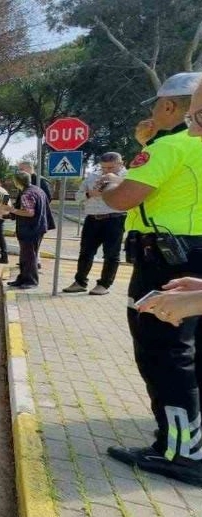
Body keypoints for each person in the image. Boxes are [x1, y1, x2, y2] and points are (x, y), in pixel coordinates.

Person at [98, 72, 202, 485]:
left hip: (166, 258)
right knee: (192, 352)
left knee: (163, 353)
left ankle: (179, 451)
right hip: (195, 254)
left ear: (172, 107)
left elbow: (124, 197)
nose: (151, 113)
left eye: (156, 106)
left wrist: (110, 184)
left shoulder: (173, 145)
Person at [62, 152, 127, 296]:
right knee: (85, 252)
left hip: (115, 219)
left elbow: (133, 196)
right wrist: (90, 194)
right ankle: (80, 282)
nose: (106, 171)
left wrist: (114, 184)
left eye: (111, 168)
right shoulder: (92, 176)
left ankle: (104, 284)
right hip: (92, 219)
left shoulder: (127, 177)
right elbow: (78, 197)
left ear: (121, 164)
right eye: (104, 168)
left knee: (111, 254)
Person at [0, 171, 49, 290]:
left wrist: (11, 210)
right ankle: (23, 278)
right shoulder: (37, 190)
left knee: (29, 256)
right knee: (26, 255)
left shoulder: (26, 194)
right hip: (37, 227)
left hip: (30, 229)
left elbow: (29, 213)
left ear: (17, 182)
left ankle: (30, 281)